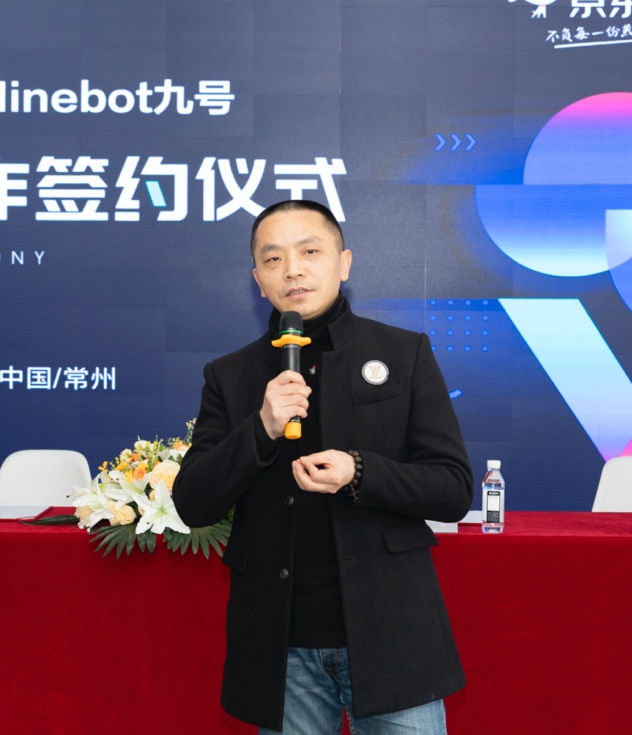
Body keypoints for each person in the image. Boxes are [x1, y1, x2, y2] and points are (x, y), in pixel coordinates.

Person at [173, 199, 473, 735]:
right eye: (273, 259)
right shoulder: (231, 376)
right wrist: (261, 427)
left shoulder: (403, 353)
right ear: (257, 279)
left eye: (310, 252)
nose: (293, 270)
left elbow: (451, 489)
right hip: (282, 648)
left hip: (392, 635)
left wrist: (359, 471)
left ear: (344, 263)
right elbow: (193, 503)